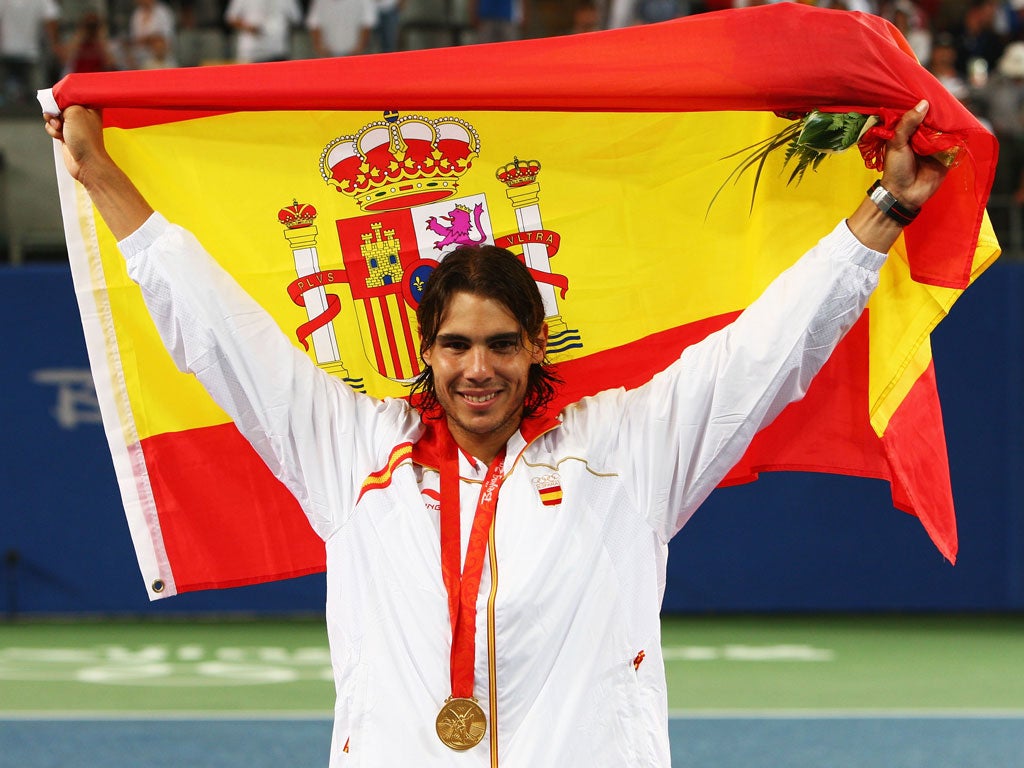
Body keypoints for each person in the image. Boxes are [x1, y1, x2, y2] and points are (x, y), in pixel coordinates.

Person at [43, 100, 947, 766]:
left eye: (502, 345)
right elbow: (216, 332)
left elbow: (766, 351)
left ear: (536, 345)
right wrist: (101, 176)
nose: (479, 369)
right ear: (426, 351)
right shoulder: (355, 454)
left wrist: (886, 212)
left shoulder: (625, 452)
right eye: (457, 345)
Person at [224, 0, 301, 63]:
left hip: (277, 50)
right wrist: (248, 27)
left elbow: (296, 19)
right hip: (252, 52)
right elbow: (231, 17)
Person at [305, 0, 375, 58]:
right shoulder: (320, 2)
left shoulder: (364, 1)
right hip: (329, 53)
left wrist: (359, 48)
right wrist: (320, 48)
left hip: (355, 53)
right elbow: (314, 24)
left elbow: (367, 23)